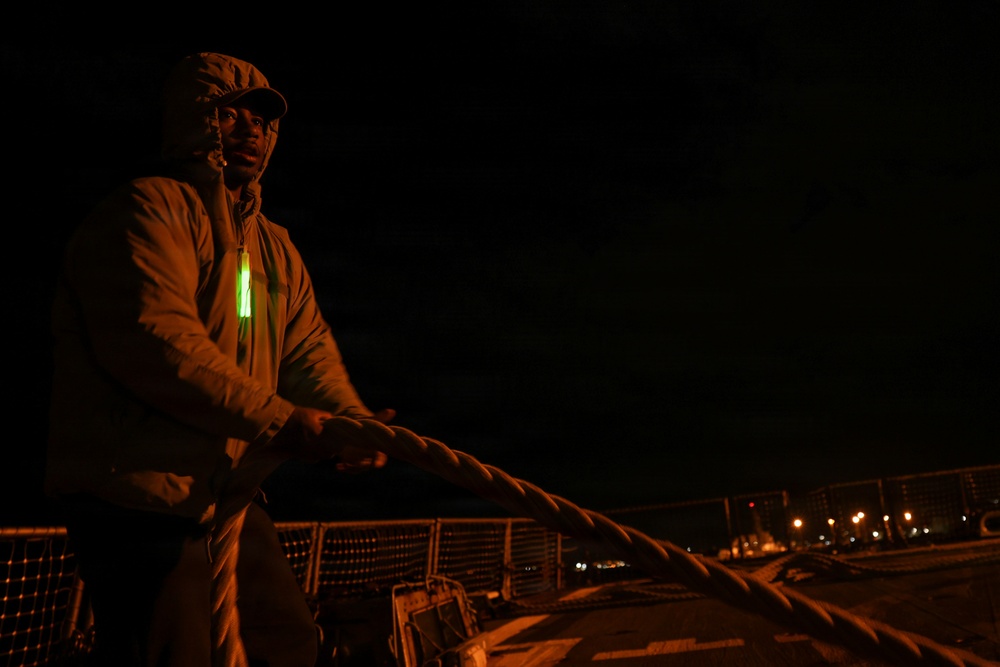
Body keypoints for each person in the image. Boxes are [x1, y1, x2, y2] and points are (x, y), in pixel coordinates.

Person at [44, 52, 394, 667]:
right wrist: (283, 421)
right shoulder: (146, 212)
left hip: (227, 493)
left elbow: (306, 351)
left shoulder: (274, 247)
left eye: (262, 119)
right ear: (194, 119)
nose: (251, 130)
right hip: (139, 497)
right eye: (230, 113)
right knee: (177, 655)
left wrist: (348, 421)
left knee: (289, 643)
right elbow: (157, 341)